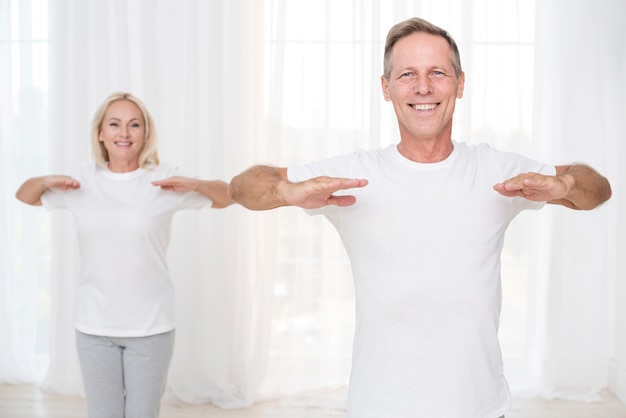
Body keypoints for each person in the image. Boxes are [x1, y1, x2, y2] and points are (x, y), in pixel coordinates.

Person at [227, 17, 612, 418]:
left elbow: (597, 188)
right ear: (386, 87)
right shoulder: (356, 173)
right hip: (380, 406)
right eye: (407, 74)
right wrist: (286, 192)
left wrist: (563, 187)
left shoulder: (496, 170)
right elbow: (243, 186)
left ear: (460, 84)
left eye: (438, 73)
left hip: (479, 406)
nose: (423, 87)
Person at [15, 92, 233, 418]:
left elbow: (227, 196)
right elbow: (25, 195)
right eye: (114, 124)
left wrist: (194, 183)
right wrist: (46, 179)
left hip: (151, 328)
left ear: (145, 133)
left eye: (134, 125)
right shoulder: (82, 180)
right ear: (100, 133)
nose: (124, 133)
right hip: (93, 327)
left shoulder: (163, 179)